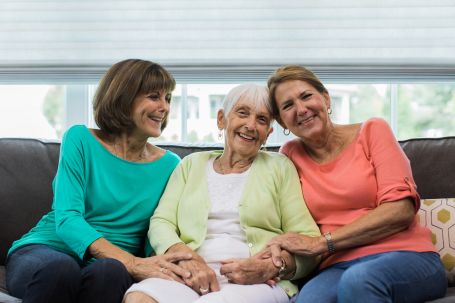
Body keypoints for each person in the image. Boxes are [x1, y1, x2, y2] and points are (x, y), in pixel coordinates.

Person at [5, 59, 194, 303]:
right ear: (124, 98)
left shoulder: (170, 165)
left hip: (111, 265)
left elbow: (157, 229)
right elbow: (67, 219)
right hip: (49, 249)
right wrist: (132, 262)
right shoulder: (80, 139)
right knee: (62, 270)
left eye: (168, 98)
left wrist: (163, 262)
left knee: (110, 272)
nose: (165, 107)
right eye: (154, 96)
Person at [123, 84, 321, 303]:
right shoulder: (190, 164)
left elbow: (310, 241)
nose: (251, 125)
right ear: (221, 119)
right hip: (190, 272)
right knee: (138, 298)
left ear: (268, 134)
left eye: (262, 120)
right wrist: (185, 257)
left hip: (254, 282)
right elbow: (161, 222)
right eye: (242, 113)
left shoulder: (280, 167)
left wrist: (271, 266)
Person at [265, 65, 447, 303]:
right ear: (281, 121)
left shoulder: (373, 131)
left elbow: (400, 210)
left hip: (407, 255)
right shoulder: (289, 155)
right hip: (336, 266)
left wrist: (321, 243)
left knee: (360, 280)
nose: (301, 109)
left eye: (306, 96)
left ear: (326, 98)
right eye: (288, 106)